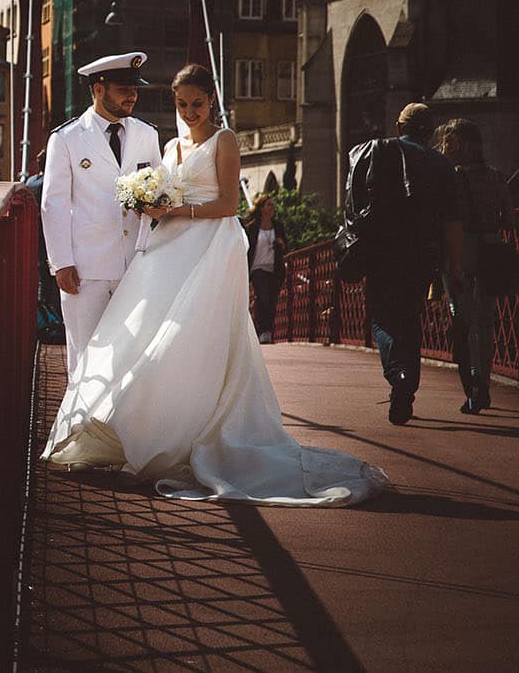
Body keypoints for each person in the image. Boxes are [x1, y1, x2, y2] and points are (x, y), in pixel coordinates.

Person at [41, 64, 387, 506]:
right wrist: (153, 203)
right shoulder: (166, 142)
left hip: (207, 248)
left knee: (187, 339)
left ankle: (172, 440)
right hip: (164, 249)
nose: (189, 112)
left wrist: (172, 211)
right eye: (182, 104)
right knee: (149, 338)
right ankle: (123, 433)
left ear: (212, 100)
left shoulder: (223, 140)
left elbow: (226, 203)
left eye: (197, 104)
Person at [39, 52, 162, 383]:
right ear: (98, 88)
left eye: (135, 88)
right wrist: (61, 263)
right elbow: (54, 204)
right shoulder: (65, 139)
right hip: (85, 268)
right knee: (84, 359)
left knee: (134, 358)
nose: (132, 95)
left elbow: (157, 193)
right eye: (124, 88)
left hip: (137, 264)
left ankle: (121, 432)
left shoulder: (147, 135)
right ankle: (78, 431)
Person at [362, 103, 465, 425]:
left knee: (382, 318)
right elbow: (452, 221)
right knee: (409, 316)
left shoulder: (379, 155)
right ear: (431, 130)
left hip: (381, 251)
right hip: (422, 254)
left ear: (398, 127)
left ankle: (399, 374)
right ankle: (406, 387)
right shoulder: (442, 166)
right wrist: (456, 265)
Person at [432, 118, 518, 415]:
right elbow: (509, 219)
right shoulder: (495, 176)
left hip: (460, 250)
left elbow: (441, 217)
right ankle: (484, 384)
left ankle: (472, 388)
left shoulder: (450, 177)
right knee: (486, 321)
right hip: (491, 248)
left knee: (463, 319)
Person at [24, 149, 65, 345]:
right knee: (54, 280)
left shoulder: (30, 183)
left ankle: (41, 322)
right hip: (52, 238)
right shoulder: (53, 185)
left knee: (41, 280)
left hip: (33, 239)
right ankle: (54, 322)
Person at [243, 194, 288, 344]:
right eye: (269, 205)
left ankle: (266, 330)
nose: (272, 208)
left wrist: (281, 243)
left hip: (275, 269)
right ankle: (263, 331)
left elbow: (286, 247)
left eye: (272, 205)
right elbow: (246, 248)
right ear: (261, 208)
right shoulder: (252, 228)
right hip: (258, 268)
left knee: (272, 301)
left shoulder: (278, 226)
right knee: (264, 298)